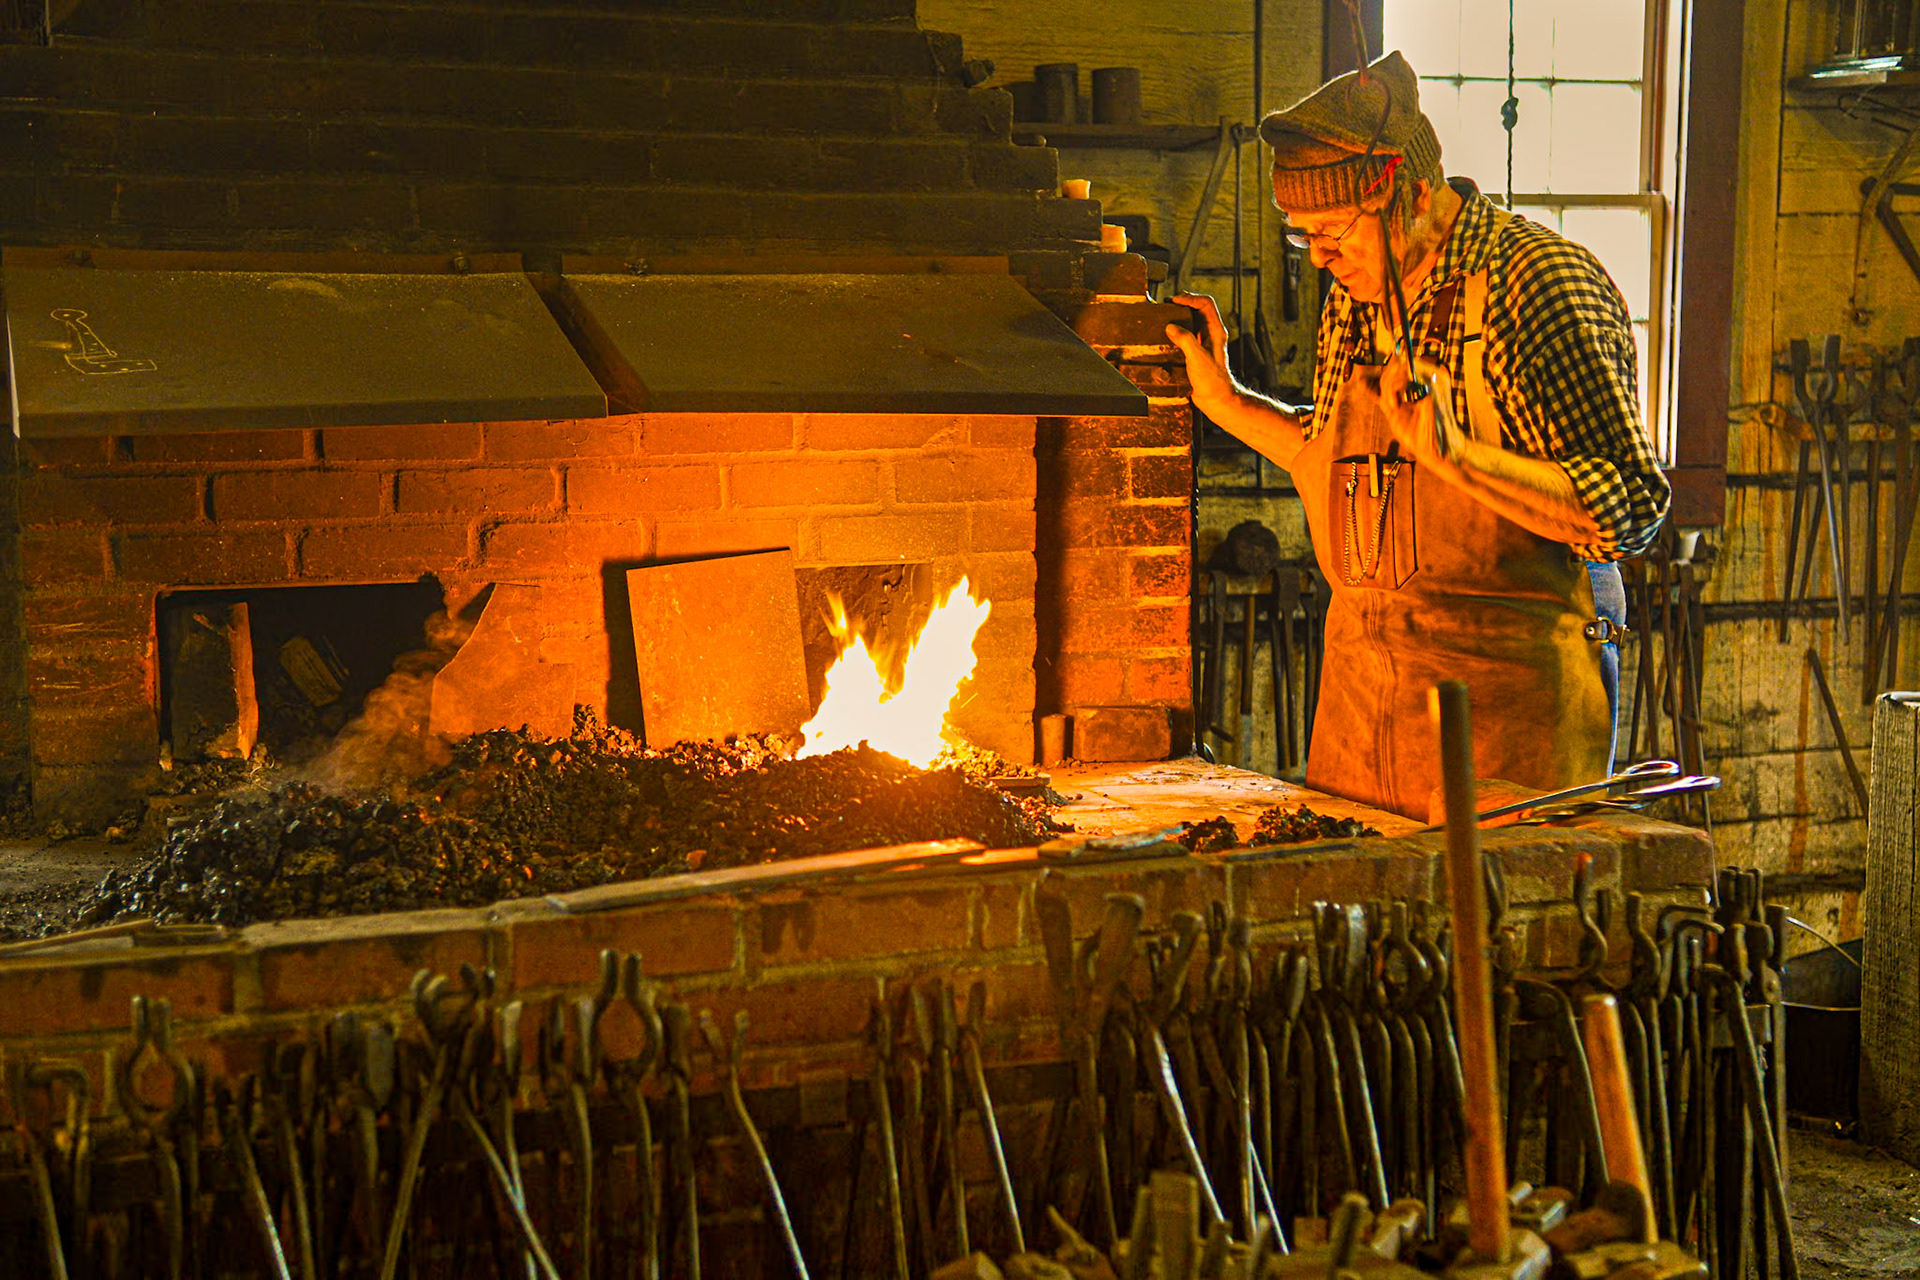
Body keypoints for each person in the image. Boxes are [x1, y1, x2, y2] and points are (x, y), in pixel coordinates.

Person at [1166, 51, 1669, 821]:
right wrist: (1223, 398)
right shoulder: (1361, 295)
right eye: (1305, 238)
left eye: (1335, 230)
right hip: (1359, 724)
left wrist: (1456, 458)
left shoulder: (1536, 285)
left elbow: (1626, 511)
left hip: (1504, 741)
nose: (1324, 260)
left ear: (1414, 195)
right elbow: (1329, 457)